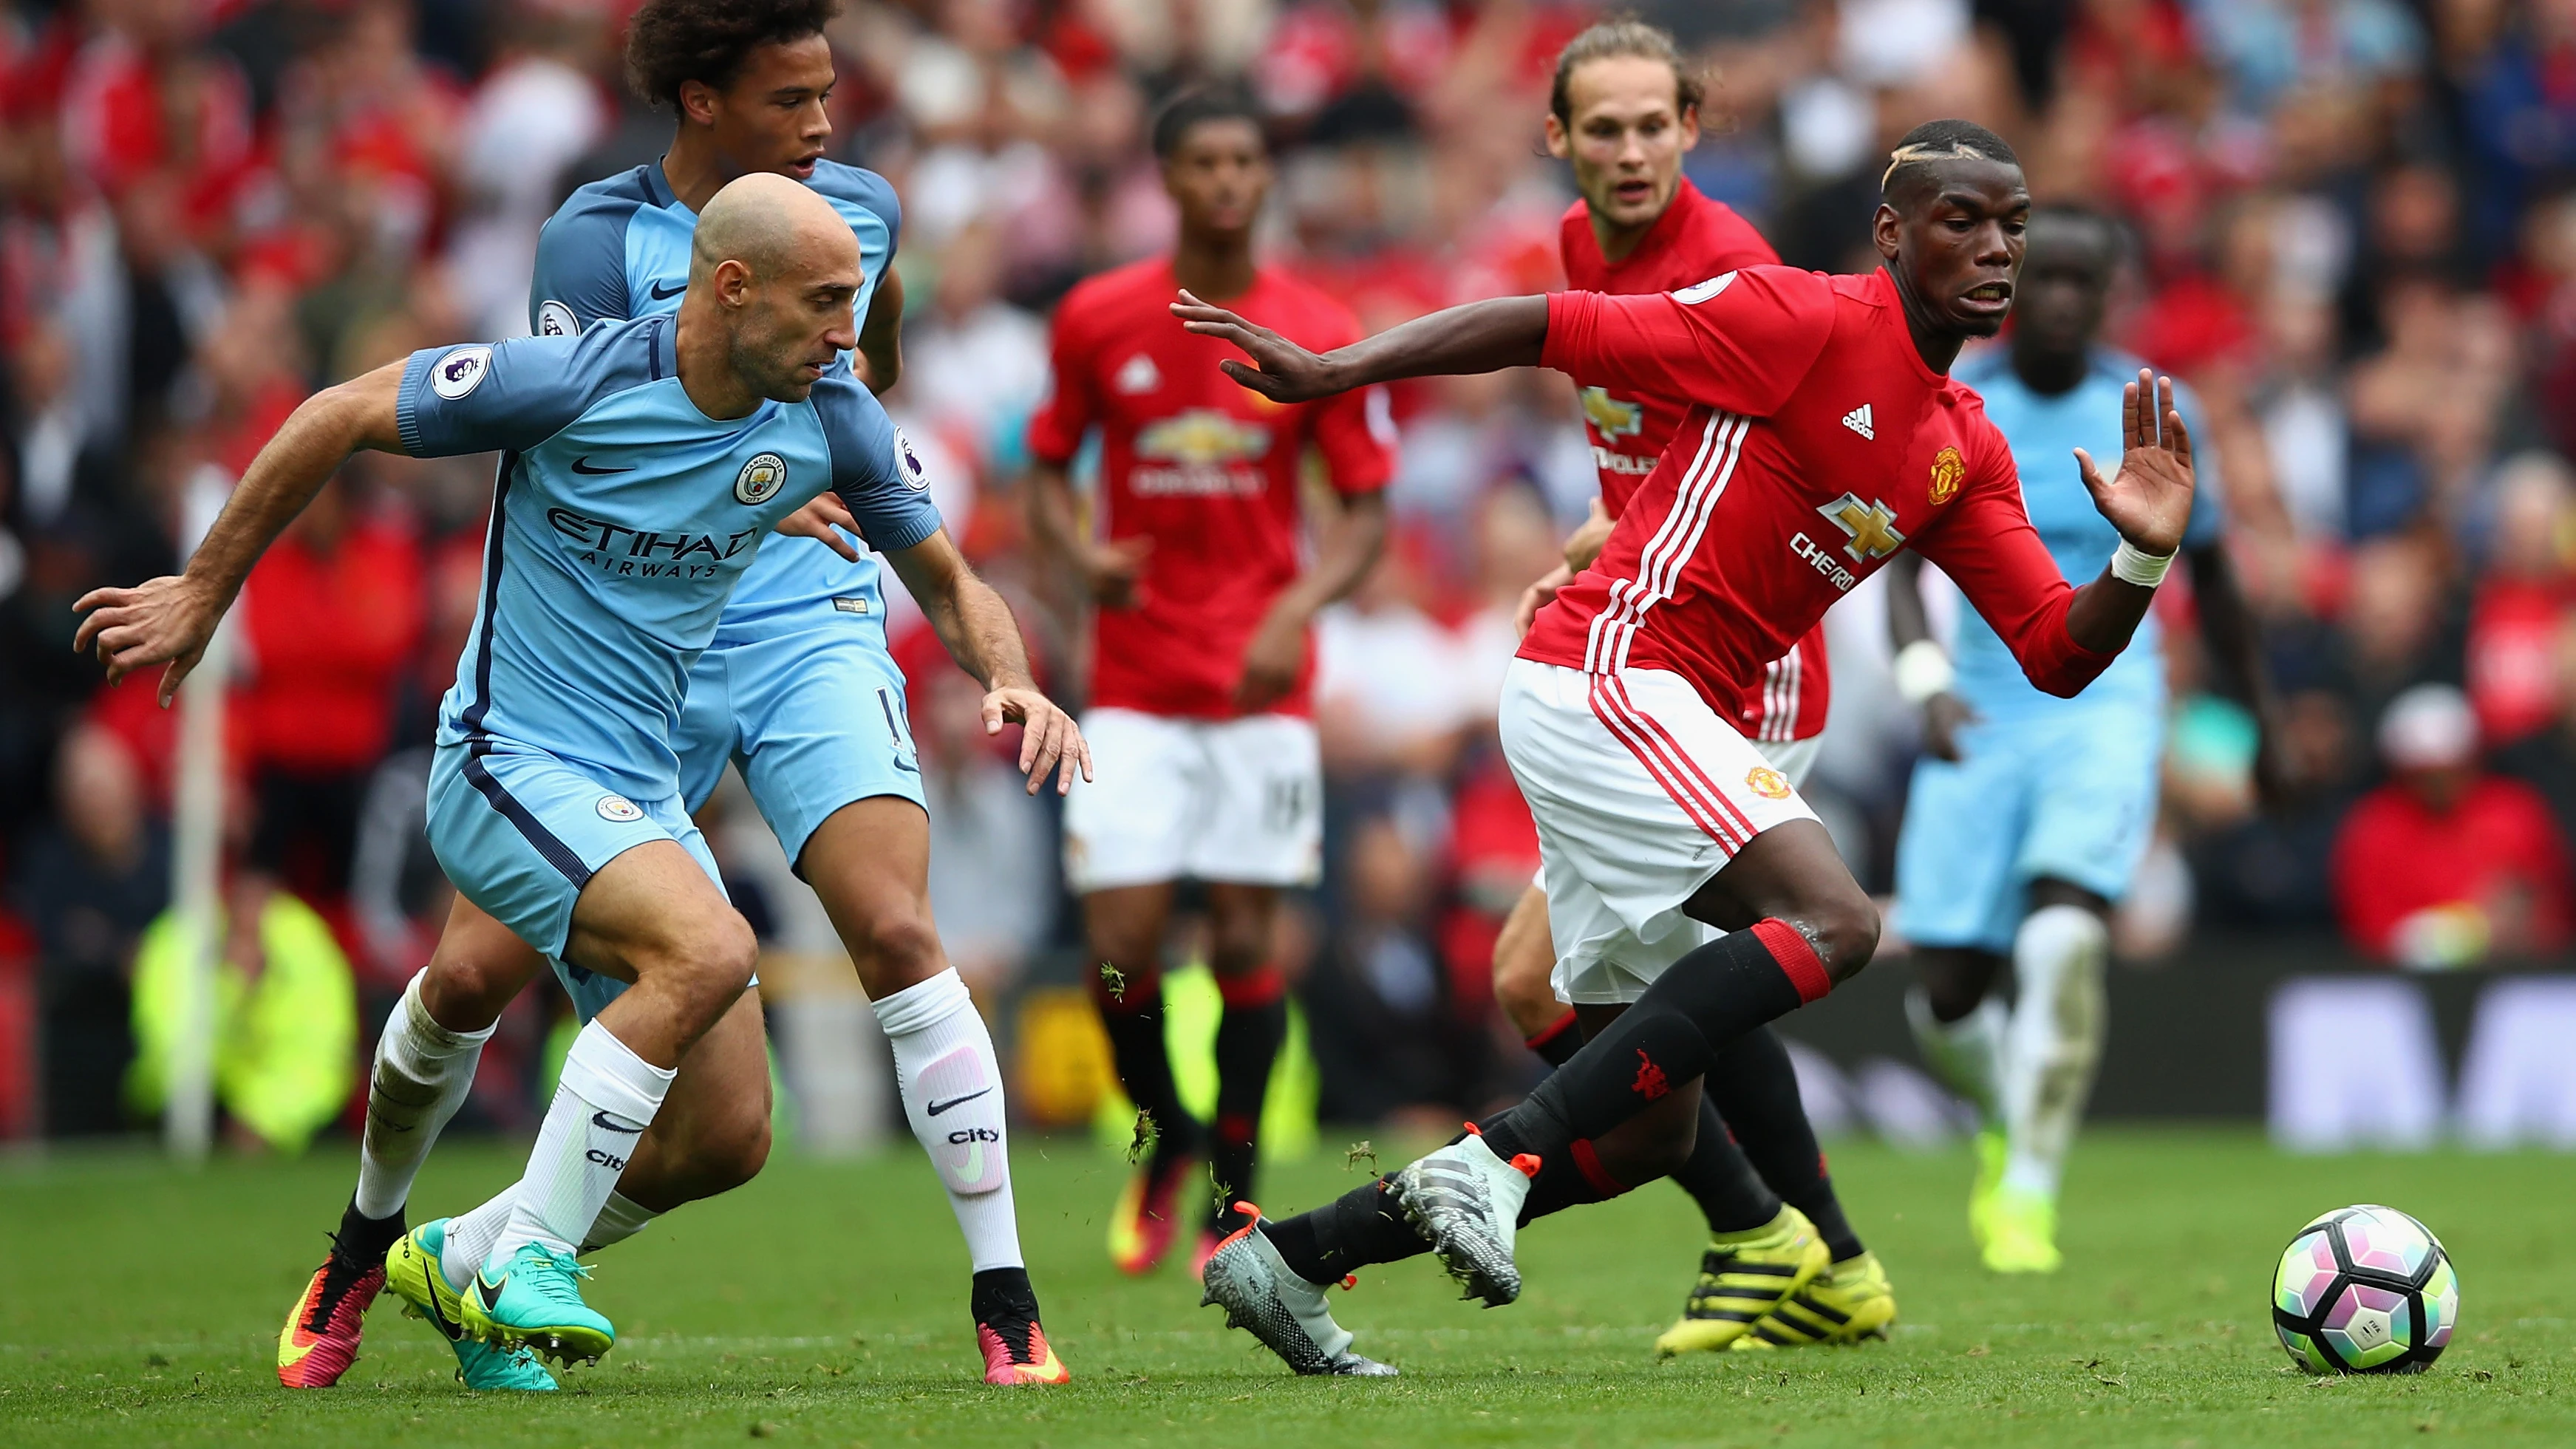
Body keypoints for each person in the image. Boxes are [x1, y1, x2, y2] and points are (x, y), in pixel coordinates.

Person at [1178, 120, 2197, 1375]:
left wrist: (2139, 556)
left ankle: (1289, 1258)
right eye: (1961, 221)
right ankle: (1492, 1163)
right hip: (1606, 672)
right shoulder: (1801, 320)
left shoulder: (1961, 444)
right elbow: (1549, 323)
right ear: (1892, 234)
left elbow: (2053, 649)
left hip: (1663, 711)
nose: (1995, 249)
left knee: (1653, 1134)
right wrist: (1338, 370)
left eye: (2012, 224)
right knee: (1835, 922)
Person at [75, 175, 1088, 1382]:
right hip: (508, 764)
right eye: (825, 306)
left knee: (731, 1136)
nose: (848, 340)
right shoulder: (570, 381)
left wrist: (1012, 675)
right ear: (730, 288)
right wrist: (204, 590)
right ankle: (485, 1255)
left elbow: (951, 581)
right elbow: (339, 411)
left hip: (641, 796)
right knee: (678, 954)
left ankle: (459, 1265)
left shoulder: (829, 414)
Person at [1490, 20, 1890, 1356]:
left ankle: (1773, 1235)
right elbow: (1636, 461)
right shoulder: (1573, 249)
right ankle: (1803, 1249)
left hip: (1740, 660)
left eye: (1650, 125)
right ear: (1559, 140)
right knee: (1578, 983)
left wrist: (1612, 554)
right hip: (1640, 642)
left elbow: (1779, 454)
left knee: (1567, 977)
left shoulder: (1731, 265)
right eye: (1599, 129)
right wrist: (1592, 558)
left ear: (1690, 127)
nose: (1626, 151)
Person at [1023, 88, 1394, 1278]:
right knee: (1120, 949)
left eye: (1246, 161)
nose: (1230, 182)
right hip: (1131, 681)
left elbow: (1365, 512)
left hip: (1255, 687)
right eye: (1206, 163)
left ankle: (1234, 1202)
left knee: (1246, 944)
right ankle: (1168, 1139)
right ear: (1167, 178)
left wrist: (1294, 609)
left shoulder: (1311, 324)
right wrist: (1078, 556)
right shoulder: (1096, 317)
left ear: (1265, 178)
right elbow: (1043, 471)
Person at [1884, 205, 2274, 1275]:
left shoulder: (2148, 408)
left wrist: (2260, 730)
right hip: (1976, 714)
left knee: (2062, 942)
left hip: (2103, 709)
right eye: (2036, 277)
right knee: (1945, 992)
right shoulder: (1959, 404)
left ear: (2108, 294)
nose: (2053, 298)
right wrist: (1922, 687)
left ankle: (2027, 1190)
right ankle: (2009, 1117)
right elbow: (1898, 568)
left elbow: (2219, 580)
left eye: (2076, 281)